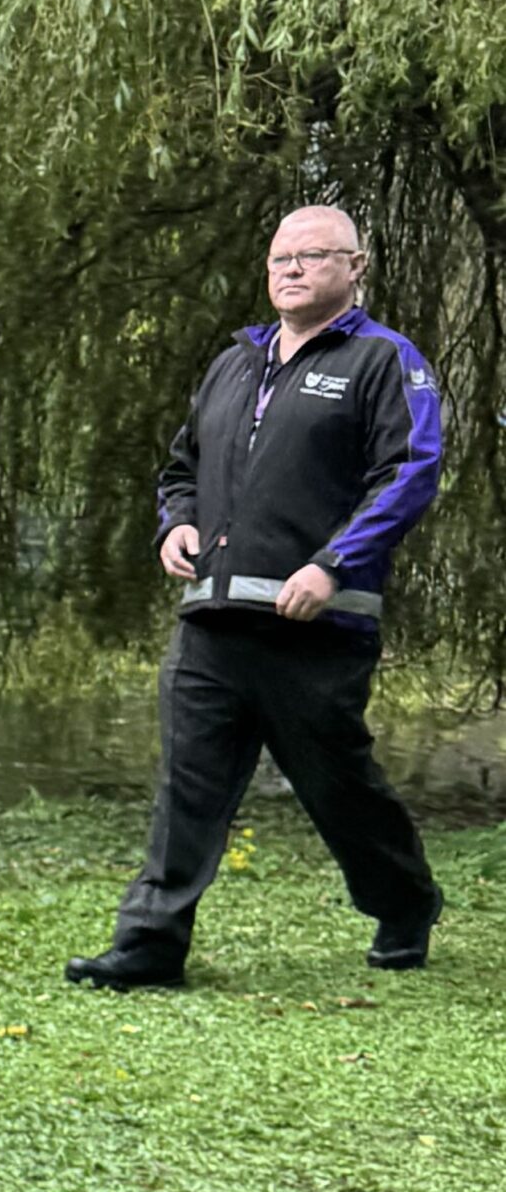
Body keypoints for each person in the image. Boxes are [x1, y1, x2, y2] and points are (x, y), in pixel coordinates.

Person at [67, 204, 445, 991]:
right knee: (189, 786)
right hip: (212, 620)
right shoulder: (234, 364)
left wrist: (333, 566)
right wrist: (178, 523)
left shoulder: (382, 360)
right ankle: (150, 945)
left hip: (317, 625)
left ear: (355, 267)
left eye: (313, 256)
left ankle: (405, 902)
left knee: (338, 787)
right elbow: (183, 467)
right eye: (281, 258)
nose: (292, 269)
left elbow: (410, 473)